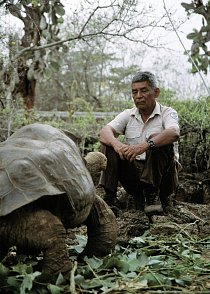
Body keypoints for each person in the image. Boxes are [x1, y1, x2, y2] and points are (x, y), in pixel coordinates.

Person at [98, 71, 181, 215]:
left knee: (158, 139)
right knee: (108, 143)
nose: (138, 96)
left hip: (163, 180)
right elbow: (104, 131)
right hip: (135, 177)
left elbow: (174, 133)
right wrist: (118, 145)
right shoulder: (128, 114)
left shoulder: (167, 113)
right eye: (134, 92)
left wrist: (143, 146)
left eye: (144, 91)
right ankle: (110, 198)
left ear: (156, 92)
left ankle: (152, 197)